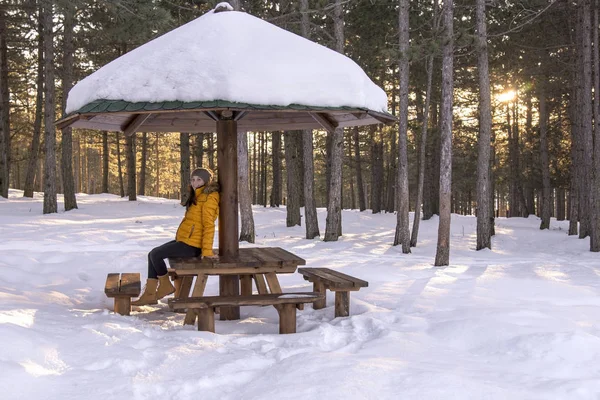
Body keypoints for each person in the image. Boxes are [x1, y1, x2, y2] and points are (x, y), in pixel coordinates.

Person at [132, 167, 220, 306]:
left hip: (193, 245)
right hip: (186, 239)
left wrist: (207, 251)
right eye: (193, 179)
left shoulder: (209, 198)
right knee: (152, 254)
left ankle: (165, 286)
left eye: (199, 179)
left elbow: (209, 226)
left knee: (156, 254)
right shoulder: (197, 195)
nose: (195, 182)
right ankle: (150, 294)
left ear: (207, 181)